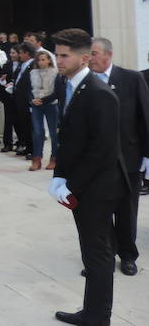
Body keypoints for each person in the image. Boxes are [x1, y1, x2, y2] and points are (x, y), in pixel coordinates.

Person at [49, 28, 128, 326]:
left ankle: (97, 316)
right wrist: (59, 174)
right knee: (91, 252)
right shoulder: (70, 85)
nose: (58, 60)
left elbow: (103, 150)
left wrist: (71, 185)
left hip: (97, 188)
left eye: (64, 55)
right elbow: (69, 138)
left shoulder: (98, 92)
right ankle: (91, 310)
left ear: (84, 57)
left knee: (97, 253)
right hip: (84, 183)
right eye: (57, 54)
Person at [88, 37, 149, 277]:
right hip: (96, 163)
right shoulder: (84, 82)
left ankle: (127, 255)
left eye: (94, 53)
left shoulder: (132, 79)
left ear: (108, 55)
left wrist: (147, 155)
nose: (90, 58)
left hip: (129, 159)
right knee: (98, 213)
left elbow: (145, 118)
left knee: (126, 210)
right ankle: (103, 257)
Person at [29, 51, 60, 172]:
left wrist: (43, 100)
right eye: (39, 60)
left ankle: (54, 158)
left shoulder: (55, 72)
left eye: (43, 59)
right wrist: (32, 99)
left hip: (50, 104)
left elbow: (57, 92)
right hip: (36, 104)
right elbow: (28, 89)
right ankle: (36, 158)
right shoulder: (32, 72)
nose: (41, 62)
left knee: (53, 133)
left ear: (49, 60)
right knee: (37, 132)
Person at [13, 42, 37, 158]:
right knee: (24, 125)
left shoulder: (34, 65)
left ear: (27, 53)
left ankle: (34, 150)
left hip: (28, 99)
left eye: (21, 53)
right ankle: (27, 146)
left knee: (30, 126)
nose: (19, 55)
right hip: (19, 99)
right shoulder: (21, 65)